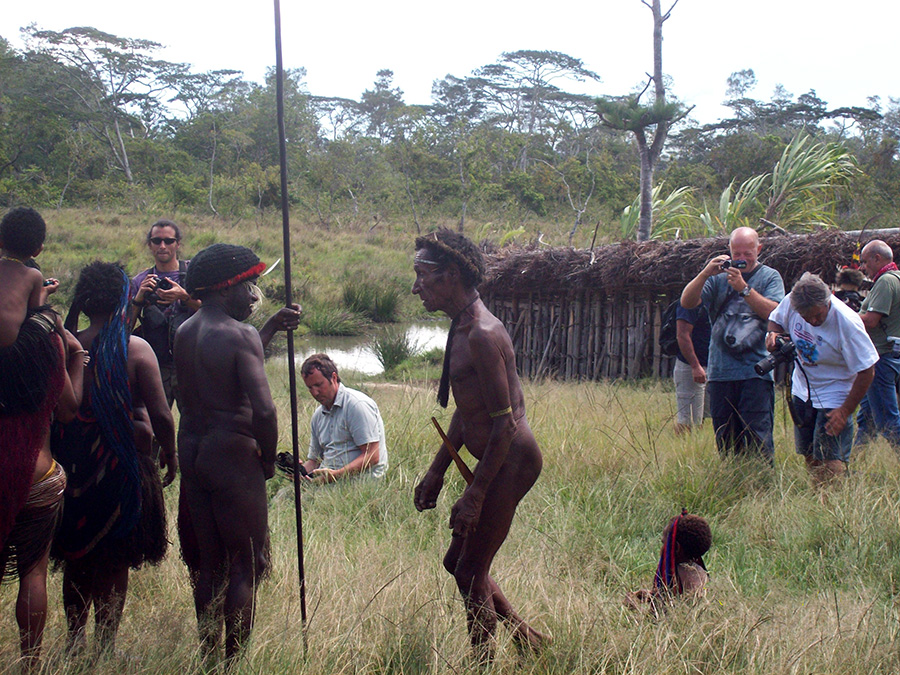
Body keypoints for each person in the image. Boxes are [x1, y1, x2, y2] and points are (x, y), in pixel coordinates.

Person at [412, 229, 548, 663]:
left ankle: (482, 662)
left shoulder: (483, 334)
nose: (416, 287)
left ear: (450, 275)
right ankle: (528, 641)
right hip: (496, 458)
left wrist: (474, 493)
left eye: (422, 276)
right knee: (460, 564)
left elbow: (504, 425)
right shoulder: (461, 326)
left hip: (511, 460)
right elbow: (469, 410)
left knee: (470, 569)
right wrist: (437, 471)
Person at [52, 262, 177, 656]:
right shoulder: (135, 348)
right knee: (114, 559)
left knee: (77, 555)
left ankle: (75, 643)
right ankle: (105, 648)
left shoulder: (68, 346)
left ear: (85, 302)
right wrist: (170, 454)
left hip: (73, 471)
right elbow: (161, 415)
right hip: (123, 470)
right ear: (124, 297)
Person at [174, 243, 278, 665]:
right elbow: (265, 410)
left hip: (193, 450)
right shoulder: (241, 334)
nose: (254, 295)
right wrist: (268, 460)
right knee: (244, 566)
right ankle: (233, 665)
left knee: (210, 565)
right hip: (232, 455)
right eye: (249, 285)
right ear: (226, 287)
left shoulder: (184, 331)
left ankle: (209, 657)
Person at [0, 209, 83, 670]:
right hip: (37, 473)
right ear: (39, 248)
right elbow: (69, 409)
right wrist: (77, 358)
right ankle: (30, 664)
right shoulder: (49, 343)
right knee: (33, 572)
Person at [681, 226, 785, 461]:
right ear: (729, 251)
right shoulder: (717, 279)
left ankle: (761, 487)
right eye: (736, 254)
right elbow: (687, 302)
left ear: (759, 249)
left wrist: (744, 289)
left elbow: (775, 313)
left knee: (758, 438)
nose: (741, 259)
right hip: (720, 374)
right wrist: (705, 274)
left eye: (747, 253)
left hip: (755, 373)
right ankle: (732, 486)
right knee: (726, 441)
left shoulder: (770, 277)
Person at [768, 273, 877, 486]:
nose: (814, 321)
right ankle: (817, 495)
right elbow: (775, 321)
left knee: (830, 457)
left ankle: (832, 504)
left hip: (836, 392)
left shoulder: (847, 323)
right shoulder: (792, 302)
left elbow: (867, 370)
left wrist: (845, 411)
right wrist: (772, 337)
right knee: (808, 452)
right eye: (807, 318)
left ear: (827, 302)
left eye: (818, 315)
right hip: (802, 388)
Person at [129, 219, 199, 409]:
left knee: (195, 423)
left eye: (168, 241)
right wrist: (139, 298)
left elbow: (214, 311)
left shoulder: (194, 274)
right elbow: (126, 327)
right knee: (155, 424)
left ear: (178, 244)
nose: (162, 246)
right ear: (149, 245)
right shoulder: (140, 281)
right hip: (156, 364)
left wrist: (184, 296)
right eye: (156, 241)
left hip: (191, 362)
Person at [296, 353, 388, 482]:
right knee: (283, 496)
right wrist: (299, 472)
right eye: (310, 388)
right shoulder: (318, 416)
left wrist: (335, 475)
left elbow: (372, 456)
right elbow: (314, 461)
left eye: (319, 385)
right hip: (328, 481)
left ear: (333, 377)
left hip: (361, 482)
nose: (314, 393)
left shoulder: (357, 405)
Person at [855, 240, 900, 447]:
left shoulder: (885, 281)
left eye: (865, 262)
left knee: (887, 421)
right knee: (867, 417)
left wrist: (847, 317)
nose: (863, 267)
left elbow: (871, 320)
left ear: (877, 258)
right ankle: (856, 459)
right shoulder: (896, 278)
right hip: (887, 355)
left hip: (881, 356)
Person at [625, 511, 711, 618]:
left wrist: (634, 608)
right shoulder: (701, 573)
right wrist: (651, 595)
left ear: (676, 548)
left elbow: (657, 619)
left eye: (664, 543)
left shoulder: (675, 576)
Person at [0, 207, 60, 348]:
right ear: (37, 251)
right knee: (54, 319)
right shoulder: (33, 275)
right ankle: (71, 358)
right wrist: (45, 292)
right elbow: (34, 315)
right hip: (8, 347)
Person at [673, 301, 710, 435]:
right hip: (691, 366)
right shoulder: (690, 300)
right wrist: (695, 366)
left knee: (702, 417)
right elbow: (682, 334)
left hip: (712, 364)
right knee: (687, 420)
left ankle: (696, 447)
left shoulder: (716, 298)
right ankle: (682, 450)